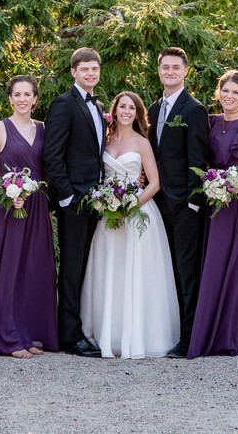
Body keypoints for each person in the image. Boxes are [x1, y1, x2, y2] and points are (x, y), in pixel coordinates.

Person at [0, 75, 58, 358]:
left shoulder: (43, 129)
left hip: (37, 207)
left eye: (27, 94)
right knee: (8, 269)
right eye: (17, 94)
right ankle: (7, 337)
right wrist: (7, 192)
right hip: (8, 207)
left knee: (32, 270)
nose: (22, 99)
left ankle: (26, 333)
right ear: (9, 98)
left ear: (35, 99)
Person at [81, 91, 179, 358]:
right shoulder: (106, 140)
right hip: (109, 216)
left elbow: (155, 183)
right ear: (114, 110)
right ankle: (108, 333)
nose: (126, 111)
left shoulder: (142, 142)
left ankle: (140, 334)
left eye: (132, 108)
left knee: (136, 274)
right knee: (110, 272)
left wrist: (131, 206)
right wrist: (109, 203)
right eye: (122, 106)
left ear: (138, 113)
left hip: (137, 215)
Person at [187, 70, 238, 357]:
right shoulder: (211, 121)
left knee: (232, 266)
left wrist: (227, 189)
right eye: (225, 91)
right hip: (213, 203)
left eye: (236, 92)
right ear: (218, 92)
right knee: (212, 264)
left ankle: (229, 336)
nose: (229, 96)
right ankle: (206, 331)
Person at [43, 47, 106, 358]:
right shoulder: (63, 105)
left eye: (94, 69)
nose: (90, 74)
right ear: (73, 72)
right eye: (85, 69)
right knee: (71, 267)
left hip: (96, 201)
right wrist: (67, 196)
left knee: (86, 266)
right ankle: (69, 336)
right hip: (74, 201)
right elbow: (52, 155)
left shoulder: (98, 106)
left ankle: (81, 327)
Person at [147, 47, 210, 358]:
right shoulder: (154, 108)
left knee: (187, 273)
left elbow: (199, 160)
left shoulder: (194, 110)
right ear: (159, 70)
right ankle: (170, 331)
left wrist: (193, 204)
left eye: (176, 67)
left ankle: (189, 339)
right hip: (157, 205)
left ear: (186, 71)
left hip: (185, 207)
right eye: (165, 67)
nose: (170, 72)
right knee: (166, 271)